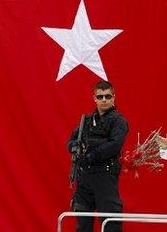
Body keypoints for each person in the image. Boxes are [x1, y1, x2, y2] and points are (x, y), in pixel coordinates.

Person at [68, 80, 129, 232]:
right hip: (84, 178)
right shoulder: (86, 121)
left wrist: (91, 154)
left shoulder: (118, 121)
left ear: (113, 97)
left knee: (110, 224)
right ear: (94, 98)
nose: (104, 100)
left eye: (107, 96)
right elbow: (72, 141)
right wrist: (74, 147)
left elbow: (114, 145)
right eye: (100, 96)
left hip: (105, 177)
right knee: (82, 222)